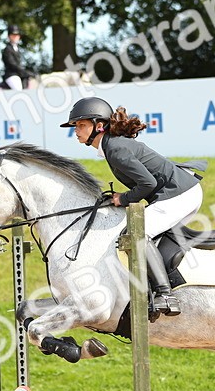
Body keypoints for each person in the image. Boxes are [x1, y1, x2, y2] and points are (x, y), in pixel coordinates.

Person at [61, 97, 205, 318]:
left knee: (137, 233)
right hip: (180, 191)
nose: (76, 131)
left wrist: (123, 199)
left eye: (81, 125)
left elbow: (148, 184)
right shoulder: (112, 146)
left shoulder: (115, 149)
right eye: (76, 126)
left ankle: (165, 295)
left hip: (180, 194)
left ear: (99, 126)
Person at [1, 24, 31, 90]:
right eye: (13, 35)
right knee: (18, 90)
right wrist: (23, 71)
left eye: (17, 35)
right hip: (12, 75)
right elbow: (12, 64)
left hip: (19, 74)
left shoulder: (17, 49)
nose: (15, 37)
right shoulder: (7, 50)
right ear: (9, 36)